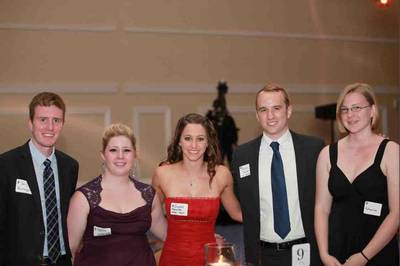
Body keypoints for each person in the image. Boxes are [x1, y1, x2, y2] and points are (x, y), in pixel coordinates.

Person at [231, 84, 325, 266]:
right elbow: (235, 198)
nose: (270, 116)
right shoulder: (242, 155)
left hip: (306, 252)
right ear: (257, 115)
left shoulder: (314, 149)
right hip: (262, 255)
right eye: (263, 110)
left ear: (288, 111)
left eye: (276, 108)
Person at [314, 83, 399, 266]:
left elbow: (396, 213)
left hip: (378, 254)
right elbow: (321, 209)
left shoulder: (391, 152)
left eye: (357, 108)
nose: (350, 115)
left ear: (372, 111)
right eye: (344, 110)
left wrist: (364, 257)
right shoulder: (327, 154)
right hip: (336, 256)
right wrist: (324, 254)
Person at [67, 123, 166, 266]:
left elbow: (167, 235)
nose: (120, 156)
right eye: (113, 150)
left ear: (135, 154)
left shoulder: (149, 195)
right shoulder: (83, 198)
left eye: (126, 150)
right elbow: (70, 249)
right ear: (103, 154)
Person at [152, 113, 242, 266]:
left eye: (200, 139)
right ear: (179, 141)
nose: (194, 145)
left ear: (208, 142)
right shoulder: (163, 174)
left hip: (209, 258)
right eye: (188, 138)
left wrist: (274, 213)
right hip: (172, 257)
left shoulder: (221, 174)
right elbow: (149, 212)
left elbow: (238, 214)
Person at [0, 92, 79, 266]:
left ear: (63, 124)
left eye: (56, 120)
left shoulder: (70, 167)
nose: (50, 127)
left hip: (62, 261)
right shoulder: (6, 165)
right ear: (30, 123)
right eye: (43, 119)